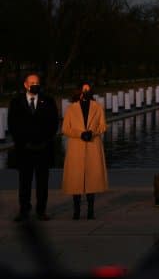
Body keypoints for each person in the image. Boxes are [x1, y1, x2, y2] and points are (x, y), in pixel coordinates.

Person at [7, 73, 59, 222]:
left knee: (42, 182)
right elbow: (13, 125)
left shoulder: (48, 101)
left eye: (37, 82)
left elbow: (53, 123)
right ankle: (24, 210)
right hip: (24, 149)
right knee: (24, 182)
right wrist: (24, 141)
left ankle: (41, 210)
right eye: (31, 82)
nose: (34, 85)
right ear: (25, 84)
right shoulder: (16, 102)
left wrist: (44, 140)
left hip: (43, 148)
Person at [61, 82, 108, 220]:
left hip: (93, 146)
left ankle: (91, 211)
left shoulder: (98, 107)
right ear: (79, 90)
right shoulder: (71, 108)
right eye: (84, 88)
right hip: (76, 147)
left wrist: (92, 132)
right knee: (76, 181)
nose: (86, 90)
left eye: (88, 88)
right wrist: (79, 134)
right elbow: (65, 129)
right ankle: (76, 211)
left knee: (91, 180)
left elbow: (103, 126)